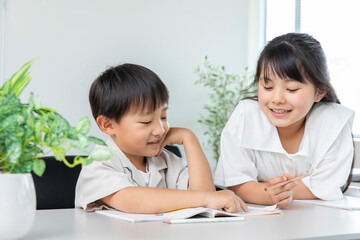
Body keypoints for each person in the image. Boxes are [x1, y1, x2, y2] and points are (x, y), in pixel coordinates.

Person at [75, 63, 248, 213]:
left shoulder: (168, 160)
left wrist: (190, 139)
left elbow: (206, 195)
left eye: (163, 117)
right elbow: (133, 200)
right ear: (108, 125)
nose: (160, 129)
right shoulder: (98, 163)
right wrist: (204, 199)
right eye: (146, 121)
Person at [214, 33, 354, 208]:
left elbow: (327, 187)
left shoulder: (333, 121)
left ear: (319, 92)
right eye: (268, 86)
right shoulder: (246, 115)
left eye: (292, 89)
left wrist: (261, 188)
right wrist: (273, 193)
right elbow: (236, 183)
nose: (277, 99)